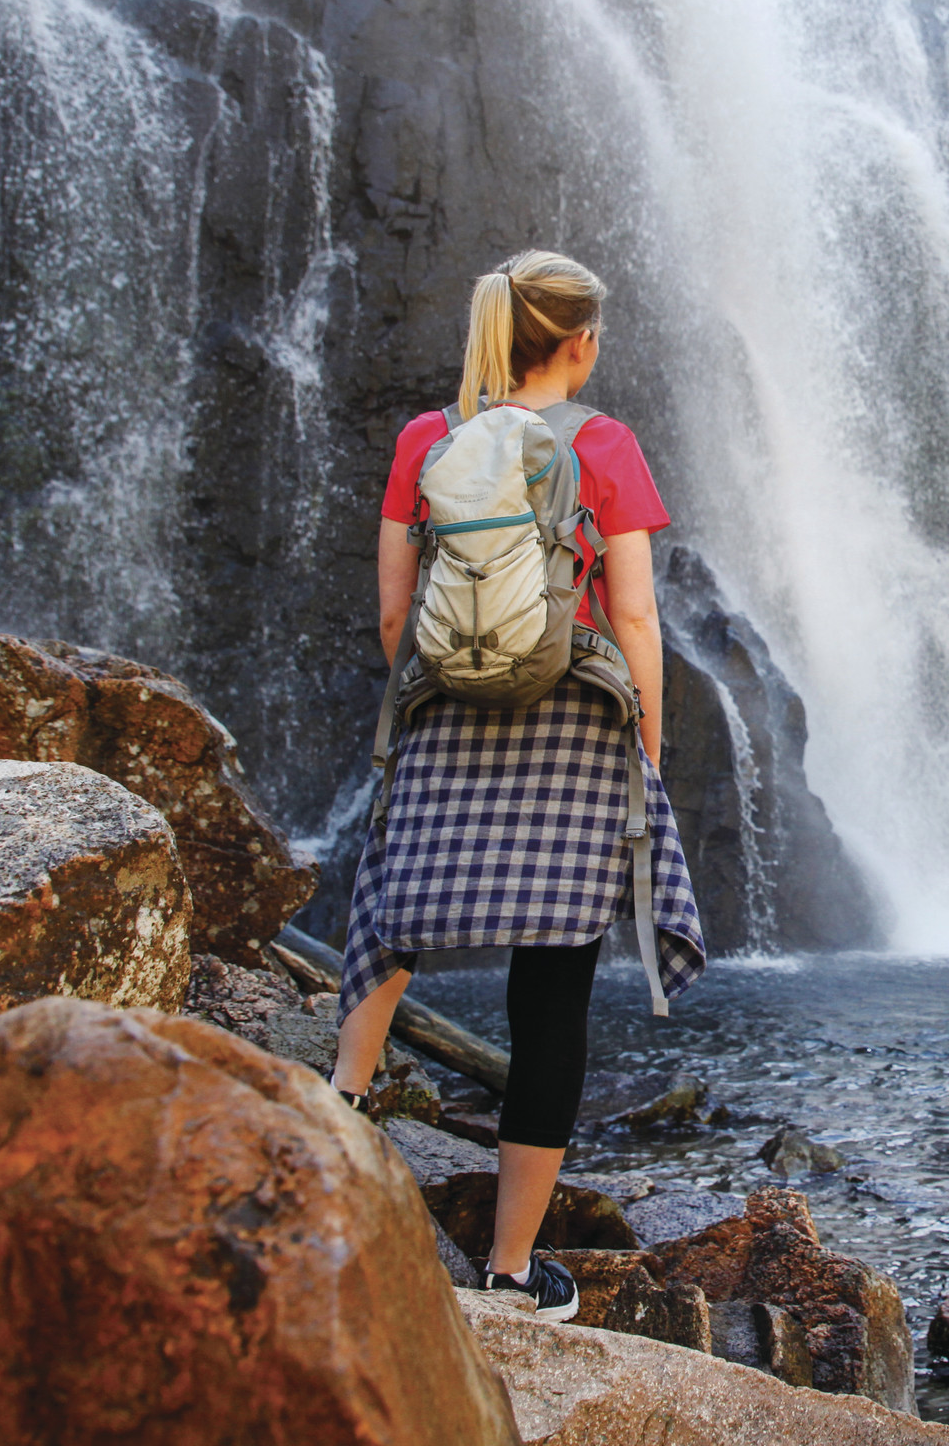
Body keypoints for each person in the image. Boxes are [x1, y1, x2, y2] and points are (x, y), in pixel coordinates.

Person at [331, 249, 705, 1319]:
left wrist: (430, 700)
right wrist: (647, 743)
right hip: (576, 721)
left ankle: (336, 1109)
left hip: (447, 709)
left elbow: (397, 611)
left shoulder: (426, 438)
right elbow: (633, 614)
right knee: (552, 998)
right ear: (580, 342)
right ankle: (505, 1273)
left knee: (393, 913)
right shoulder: (604, 444)